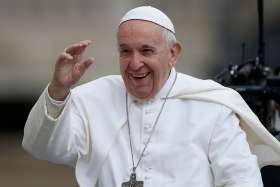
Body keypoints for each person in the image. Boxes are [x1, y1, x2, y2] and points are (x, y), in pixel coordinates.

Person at [23, 6, 280, 187]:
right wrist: (58, 91)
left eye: (146, 51)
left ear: (173, 53)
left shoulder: (211, 105)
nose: (135, 64)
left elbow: (241, 179)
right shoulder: (93, 100)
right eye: (125, 51)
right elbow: (41, 147)